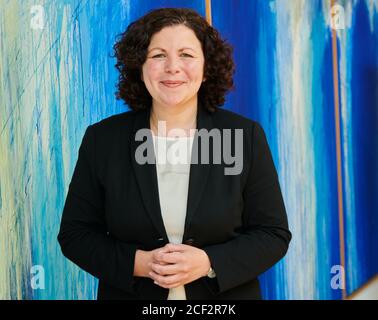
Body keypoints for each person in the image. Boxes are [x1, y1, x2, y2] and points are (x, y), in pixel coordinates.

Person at [57, 7, 291, 300]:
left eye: (186, 54)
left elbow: (272, 234)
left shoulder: (244, 137)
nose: (172, 67)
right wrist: (139, 263)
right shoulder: (103, 140)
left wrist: (208, 263)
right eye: (158, 55)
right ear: (139, 66)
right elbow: (75, 235)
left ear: (207, 67)